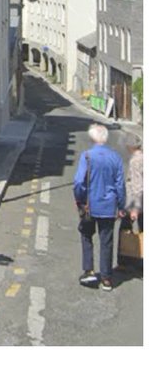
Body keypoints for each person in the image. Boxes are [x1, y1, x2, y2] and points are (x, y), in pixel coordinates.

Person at [72, 123, 126, 292]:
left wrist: (79, 199)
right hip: (109, 206)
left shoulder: (87, 156)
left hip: (90, 205)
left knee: (86, 235)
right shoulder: (115, 157)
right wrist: (121, 205)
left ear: (92, 138)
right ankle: (106, 279)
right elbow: (120, 185)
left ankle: (88, 271)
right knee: (106, 241)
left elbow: (79, 182)